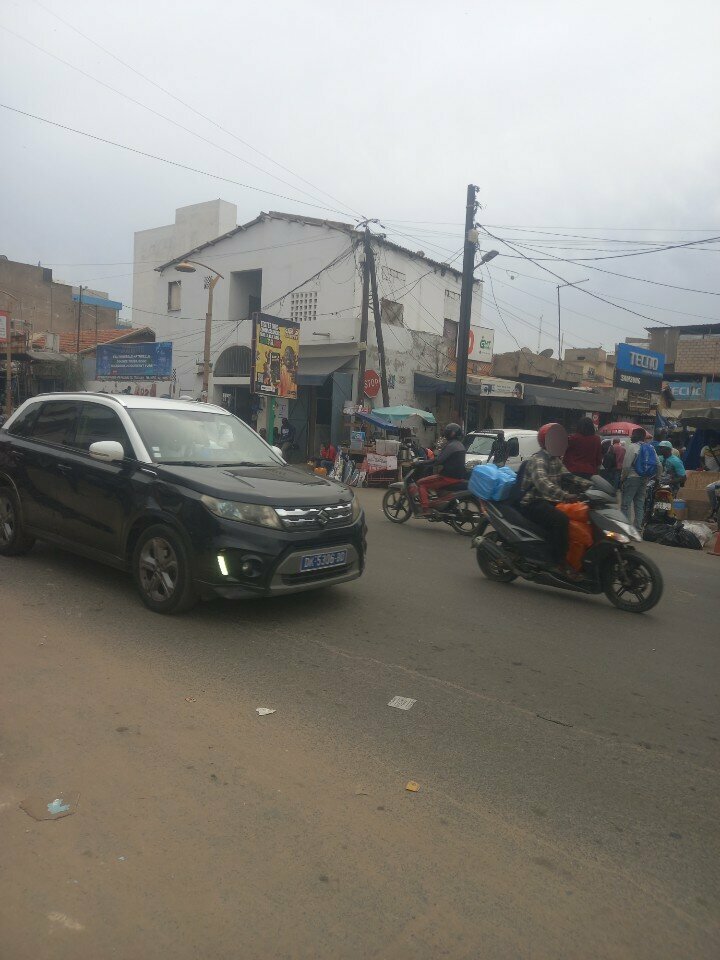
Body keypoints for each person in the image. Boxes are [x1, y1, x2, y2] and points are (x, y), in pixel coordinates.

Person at [519, 423, 591, 571]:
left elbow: (569, 477)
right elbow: (543, 484)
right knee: (561, 520)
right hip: (534, 502)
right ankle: (558, 561)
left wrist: (591, 486)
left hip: (550, 501)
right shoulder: (538, 460)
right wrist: (566, 496)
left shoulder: (555, 459)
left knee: (578, 518)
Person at [416, 422, 466, 513]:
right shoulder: (460, 445)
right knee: (434, 484)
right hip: (459, 477)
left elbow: (438, 460)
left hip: (447, 477)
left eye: (447, 432)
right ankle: (439, 504)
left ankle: (425, 509)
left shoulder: (451, 445)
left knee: (421, 483)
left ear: (451, 433)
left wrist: (422, 463)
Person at [620, 427, 657, 529]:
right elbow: (658, 465)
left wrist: (622, 479)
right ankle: (638, 529)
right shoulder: (651, 448)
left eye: (633, 435)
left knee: (626, 504)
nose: (631, 437)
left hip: (632, 478)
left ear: (636, 436)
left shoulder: (632, 447)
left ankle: (626, 529)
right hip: (645, 478)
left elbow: (626, 466)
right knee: (639, 504)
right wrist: (656, 478)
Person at [700, 434, 720, 519]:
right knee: (709, 489)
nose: (712, 441)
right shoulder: (705, 448)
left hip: (717, 473)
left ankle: (715, 510)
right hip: (707, 473)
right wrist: (703, 466)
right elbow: (701, 459)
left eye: (713, 440)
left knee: (715, 491)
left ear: (716, 440)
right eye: (711, 440)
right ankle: (714, 509)